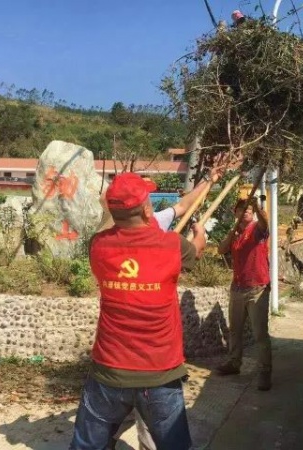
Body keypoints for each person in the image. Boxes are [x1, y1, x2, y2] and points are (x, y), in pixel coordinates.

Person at [69, 172, 207, 450]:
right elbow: (197, 252)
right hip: (159, 372)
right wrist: (199, 235)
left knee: (86, 446)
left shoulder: (98, 246)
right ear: (146, 209)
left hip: (109, 371)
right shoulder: (171, 245)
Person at [103, 168, 224, 450]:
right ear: (143, 205)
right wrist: (199, 241)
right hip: (152, 356)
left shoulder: (107, 239)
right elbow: (193, 251)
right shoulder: (164, 240)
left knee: (115, 409)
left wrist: (209, 180)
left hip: (116, 355)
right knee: (152, 413)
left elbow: (182, 206)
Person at [215, 196, 272, 391]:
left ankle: (265, 371)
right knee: (235, 331)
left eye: (248, 209)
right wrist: (232, 233)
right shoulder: (236, 233)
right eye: (241, 209)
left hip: (257, 289)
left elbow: (265, 223)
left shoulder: (257, 229)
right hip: (237, 288)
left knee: (259, 334)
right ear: (236, 213)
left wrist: (257, 207)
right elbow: (221, 250)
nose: (245, 211)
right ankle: (234, 363)